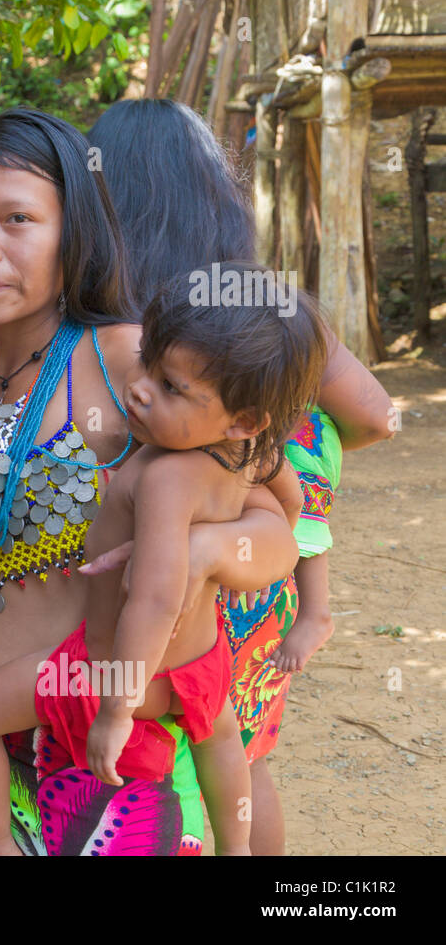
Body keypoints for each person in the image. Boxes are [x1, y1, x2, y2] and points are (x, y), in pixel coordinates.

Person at [0, 107, 303, 856]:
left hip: (108, 764)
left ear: (76, 234)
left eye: (17, 220)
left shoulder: (125, 360)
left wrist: (197, 559)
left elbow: (270, 526)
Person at [86, 98, 395, 853]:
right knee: (244, 754)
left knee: (139, 761)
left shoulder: (97, 318)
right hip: (248, 585)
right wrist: (271, 459)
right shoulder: (266, 315)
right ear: (217, 192)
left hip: (126, 587)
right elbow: (379, 417)